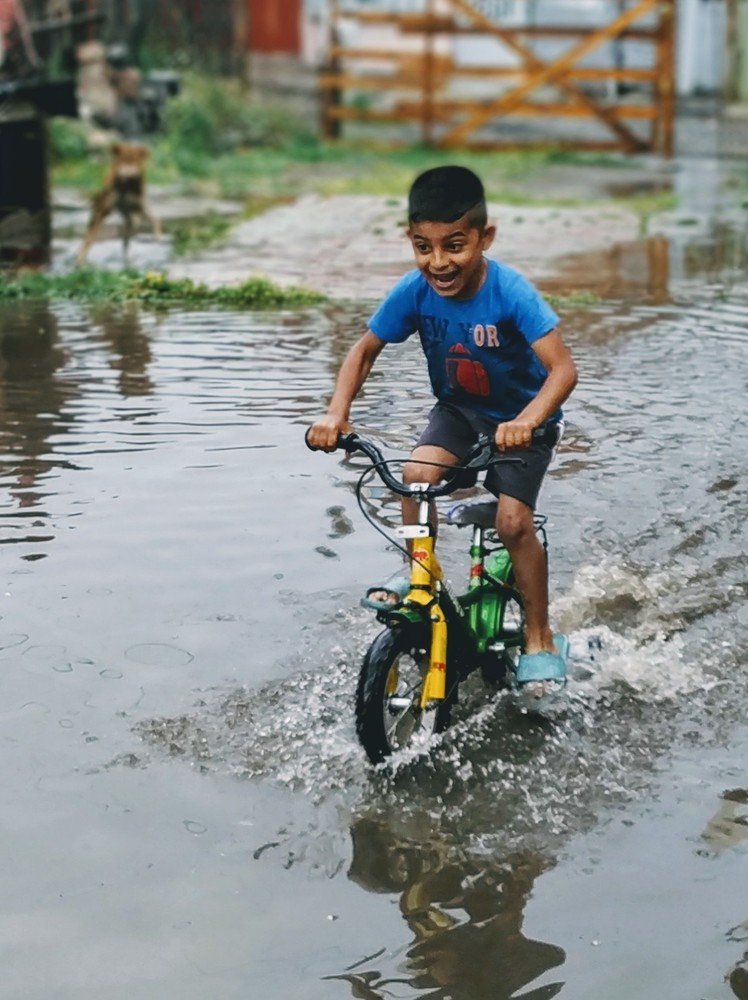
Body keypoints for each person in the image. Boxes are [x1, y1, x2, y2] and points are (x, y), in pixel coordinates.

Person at [307, 165, 577, 686]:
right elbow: (364, 351)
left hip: (523, 422)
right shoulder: (414, 291)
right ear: (410, 242)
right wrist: (336, 412)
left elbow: (563, 370)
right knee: (415, 474)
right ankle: (419, 575)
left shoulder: (511, 292)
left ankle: (540, 636)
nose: (438, 262)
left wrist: (526, 421)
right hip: (458, 414)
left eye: (454, 246)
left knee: (513, 524)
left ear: (485, 237)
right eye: (422, 247)